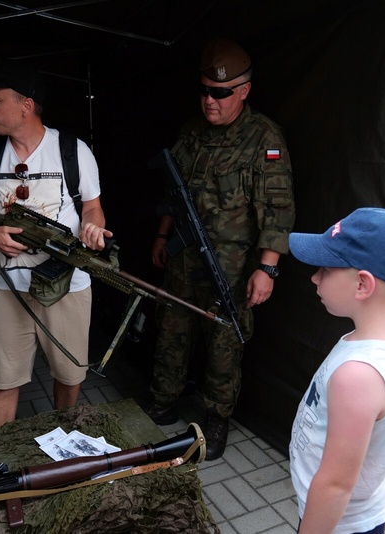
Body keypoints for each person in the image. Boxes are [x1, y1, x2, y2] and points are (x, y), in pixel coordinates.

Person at [0, 59, 112, 428]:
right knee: (4, 381)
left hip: (67, 285)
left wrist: (93, 228)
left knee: (69, 377)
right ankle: (0, 454)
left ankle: (64, 440)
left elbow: (93, 206)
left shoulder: (72, 150)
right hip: (11, 286)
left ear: (25, 105)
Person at [143, 38, 295, 460]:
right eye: (205, 90)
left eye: (221, 93)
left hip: (229, 264)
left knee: (224, 340)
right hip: (182, 257)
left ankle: (216, 415)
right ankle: (163, 400)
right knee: (171, 329)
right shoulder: (191, 131)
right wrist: (162, 236)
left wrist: (267, 268)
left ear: (244, 90)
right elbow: (174, 191)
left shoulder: (264, 137)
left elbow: (278, 210)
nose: (210, 100)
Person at [288, 207, 385, 534]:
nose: (314, 277)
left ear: (363, 284)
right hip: (362, 510)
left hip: (337, 524)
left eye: (325, 269)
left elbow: (335, 485)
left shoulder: (358, 375)